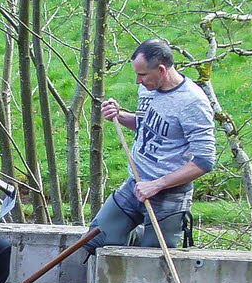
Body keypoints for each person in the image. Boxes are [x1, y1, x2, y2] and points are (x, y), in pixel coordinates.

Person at [85, 39, 216, 256]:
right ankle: (134, 235)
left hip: (169, 196)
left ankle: (147, 237)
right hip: (134, 185)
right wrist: (119, 116)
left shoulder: (193, 103)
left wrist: (157, 184)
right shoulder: (148, 89)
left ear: (162, 70)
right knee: (98, 239)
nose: (138, 81)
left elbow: (204, 161)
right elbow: (147, 126)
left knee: (151, 261)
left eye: (143, 75)